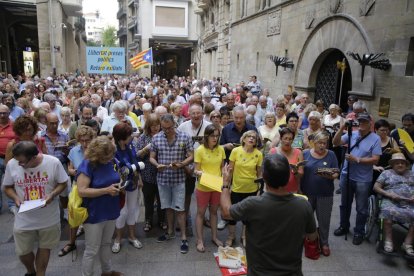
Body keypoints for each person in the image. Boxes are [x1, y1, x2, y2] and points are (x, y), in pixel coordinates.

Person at [220, 153, 317, 276]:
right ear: (288, 177)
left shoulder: (253, 204)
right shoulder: (303, 205)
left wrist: (225, 183)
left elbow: (226, 212)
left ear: (264, 177)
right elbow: (312, 237)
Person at [2, 141, 68, 276]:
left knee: (45, 247)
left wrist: (52, 194)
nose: (19, 164)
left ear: (34, 157)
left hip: (48, 217)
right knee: (23, 252)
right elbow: (7, 187)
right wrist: (15, 198)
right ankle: (31, 271)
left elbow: (63, 183)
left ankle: (40, 273)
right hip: (24, 218)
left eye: (22, 162)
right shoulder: (12, 164)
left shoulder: (53, 162)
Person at [77, 136, 123, 276]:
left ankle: (107, 272)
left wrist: (120, 185)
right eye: (106, 156)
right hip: (94, 213)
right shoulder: (87, 165)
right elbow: (82, 191)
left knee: (106, 244)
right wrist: (106, 190)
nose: (110, 158)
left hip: (110, 209)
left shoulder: (111, 160)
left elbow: (116, 177)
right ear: (97, 154)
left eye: (111, 155)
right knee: (91, 249)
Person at [332, 112, 381, 245]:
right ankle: (344, 226)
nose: (362, 124)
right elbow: (335, 142)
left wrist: (357, 159)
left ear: (370, 124)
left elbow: (376, 160)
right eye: (360, 122)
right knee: (344, 204)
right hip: (346, 174)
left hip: (363, 179)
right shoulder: (351, 134)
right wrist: (342, 128)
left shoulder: (375, 139)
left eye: (365, 122)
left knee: (361, 208)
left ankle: (359, 231)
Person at [149, 114, 193, 254]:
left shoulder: (185, 137)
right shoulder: (156, 138)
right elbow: (151, 158)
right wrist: (157, 165)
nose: (167, 131)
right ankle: (170, 232)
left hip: (179, 178)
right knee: (167, 207)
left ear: (174, 123)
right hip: (163, 179)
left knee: (180, 209)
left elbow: (192, 155)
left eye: (169, 128)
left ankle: (184, 237)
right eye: (164, 128)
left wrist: (182, 164)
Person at [58, 125, 96, 257]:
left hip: (93, 187)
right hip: (77, 186)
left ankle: (93, 244)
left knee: (91, 216)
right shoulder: (74, 151)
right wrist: (73, 171)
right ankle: (71, 242)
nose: (85, 143)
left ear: (92, 138)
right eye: (82, 140)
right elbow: (70, 168)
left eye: (87, 140)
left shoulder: (97, 150)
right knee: (73, 214)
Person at [301, 131, 339, 256]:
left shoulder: (331, 155)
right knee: (306, 219)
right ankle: (306, 240)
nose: (322, 146)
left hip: (325, 194)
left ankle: (324, 243)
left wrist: (329, 175)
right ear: (314, 143)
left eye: (325, 143)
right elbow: (301, 172)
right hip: (307, 193)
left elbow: (336, 173)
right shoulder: (305, 153)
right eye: (320, 143)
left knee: (324, 220)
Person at [226, 130, 263, 247]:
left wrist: (259, 189)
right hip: (236, 188)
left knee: (248, 216)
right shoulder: (235, 151)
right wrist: (228, 186)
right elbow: (230, 171)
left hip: (251, 189)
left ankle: (244, 236)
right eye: (249, 136)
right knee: (232, 214)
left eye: (254, 137)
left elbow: (259, 174)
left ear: (256, 141)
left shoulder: (259, 154)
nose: (251, 139)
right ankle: (231, 236)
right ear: (244, 139)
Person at [373, 153, 414, 256]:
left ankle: (407, 243)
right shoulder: (386, 173)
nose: (400, 165)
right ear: (393, 165)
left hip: (409, 202)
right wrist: (389, 194)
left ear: (406, 164)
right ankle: (388, 241)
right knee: (387, 211)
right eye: (397, 163)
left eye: (402, 163)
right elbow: (376, 187)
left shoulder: (411, 174)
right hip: (391, 200)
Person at [112, 121, 143, 253]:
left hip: (133, 182)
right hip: (120, 185)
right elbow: (115, 168)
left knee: (132, 209)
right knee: (121, 212)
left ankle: (131, 236)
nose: (132, 136)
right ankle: (118, 239)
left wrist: (139, 179)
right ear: (121, 138)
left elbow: (135, 162)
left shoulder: (130, 146)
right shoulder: (113, 149)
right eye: (129, 135)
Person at [193, 124, 225, 252]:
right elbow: (196, 170)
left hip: (216, 185)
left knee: (213, 212)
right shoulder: (200, 150)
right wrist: (202, 174)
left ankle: (214, 237)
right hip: (203, 186)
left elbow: (222, 167)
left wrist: (225, 177)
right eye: (212, 136)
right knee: (201, 213)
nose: (215, 138)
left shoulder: (221, 149)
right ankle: (200, 240)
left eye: (217, 136)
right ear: (206, 136)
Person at [135, 114, 166, 232]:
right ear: (148, 126)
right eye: (152, 125)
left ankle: (162, 220)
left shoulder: (164, 135)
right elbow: (137, 156)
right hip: (147, 173)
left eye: (157, 125)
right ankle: (148, 220)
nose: (155, 128)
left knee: (162, 199)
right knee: (148, 199)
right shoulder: (143, 137)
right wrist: (146, 149)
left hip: (162, 172)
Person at [269, 128, 304, 193]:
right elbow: (267, 171)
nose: (287, 141)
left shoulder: (298, 153)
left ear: (293, 140)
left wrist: (295, 171)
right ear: (281, 139)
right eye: (285, 138)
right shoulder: (273, 151)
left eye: (290, 139)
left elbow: (300, 175)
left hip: (292, 190)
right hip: (276, 190)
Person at [372, 119, 399, 184]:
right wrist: (373, 167)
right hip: (372, 170)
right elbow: (364, 155)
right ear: (376, 130)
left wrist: (393, 150)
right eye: (382, 130)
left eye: (386, 130)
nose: (385, 132)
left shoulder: (391, 140)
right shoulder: (371, 139)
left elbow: (398, 153)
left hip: (386, 171)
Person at [0, 105, 15, 212]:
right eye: (0, 113)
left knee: (11, 181)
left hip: (11, 157)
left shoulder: (14, 125)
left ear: (9, 113)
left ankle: (12, 204)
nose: (2, 115)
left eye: (4, 113)